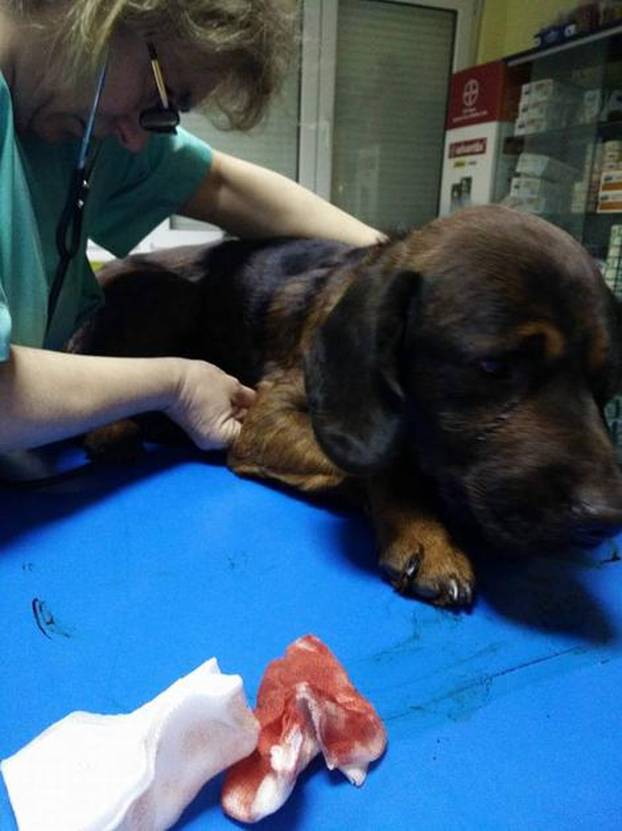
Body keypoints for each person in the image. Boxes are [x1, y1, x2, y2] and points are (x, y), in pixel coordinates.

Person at [0, 0, 384, 455]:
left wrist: (394, 261)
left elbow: (221, 185)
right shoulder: (85, 107)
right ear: (99, 11)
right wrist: (176, 385)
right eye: (158, 94)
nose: (135, 138)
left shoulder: (85, 125)